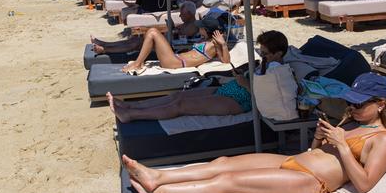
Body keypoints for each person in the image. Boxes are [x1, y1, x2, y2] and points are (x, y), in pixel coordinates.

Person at [123, 73, 386, 193]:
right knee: (222, 162)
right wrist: (318, 139)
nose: (353, 108)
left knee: (228, 181)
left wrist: (340, 144)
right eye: (351, 102)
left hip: (311, 182)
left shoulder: (382, 139)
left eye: (360, 104)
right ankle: (158, 176)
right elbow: (316, 152)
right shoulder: (350, 121)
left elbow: (363, 184)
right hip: (292, 161)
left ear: (381, 104)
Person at [108, 30, 288, 122]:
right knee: (178, 95)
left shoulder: (278, 72)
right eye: (261, 52)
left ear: (279, 53)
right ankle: (130, 106)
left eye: (265, 53)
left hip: (241, 101)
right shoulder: (267, 65)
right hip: (230, 89)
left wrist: (244, 82)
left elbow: (265, 98)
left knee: (181, 105)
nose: (262, 56)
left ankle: (131, 115)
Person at [121, 16, 231, 73]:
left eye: (201, 27)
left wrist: (223, 45)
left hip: (176, 62)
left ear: (206, 30)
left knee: (153, 32)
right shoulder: (205, 39)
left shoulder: (214, 44)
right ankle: (138, 62)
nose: (199, 28)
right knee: (150, 33)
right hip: (175, 58)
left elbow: (226, 61)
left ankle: (138, 63)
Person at [91, 1, 200, 55]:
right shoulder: (187, 23)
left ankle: (105, 50)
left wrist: (173, 29)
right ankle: (104, 44)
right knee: (135, 40)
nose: (180, 16)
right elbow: (179, 32)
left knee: (136, 43)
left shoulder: (194, 25)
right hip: (164, 43)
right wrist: (173, 28)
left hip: (168, 49)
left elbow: (181, 39)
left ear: (190, 14)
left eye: (182, 14)